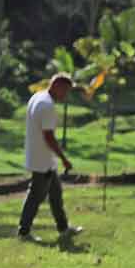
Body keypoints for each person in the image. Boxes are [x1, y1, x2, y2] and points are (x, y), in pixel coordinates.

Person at [18, 73, 83, 242]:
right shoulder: (47, 106)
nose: (65, 95)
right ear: (57, 86)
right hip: (42, 160)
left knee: (55, 193)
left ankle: (63, 228)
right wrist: (63, 158)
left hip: (42, 158)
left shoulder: (38, 96)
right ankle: (24, 232)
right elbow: (49, 137)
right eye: (65, 91)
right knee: (35, 196)